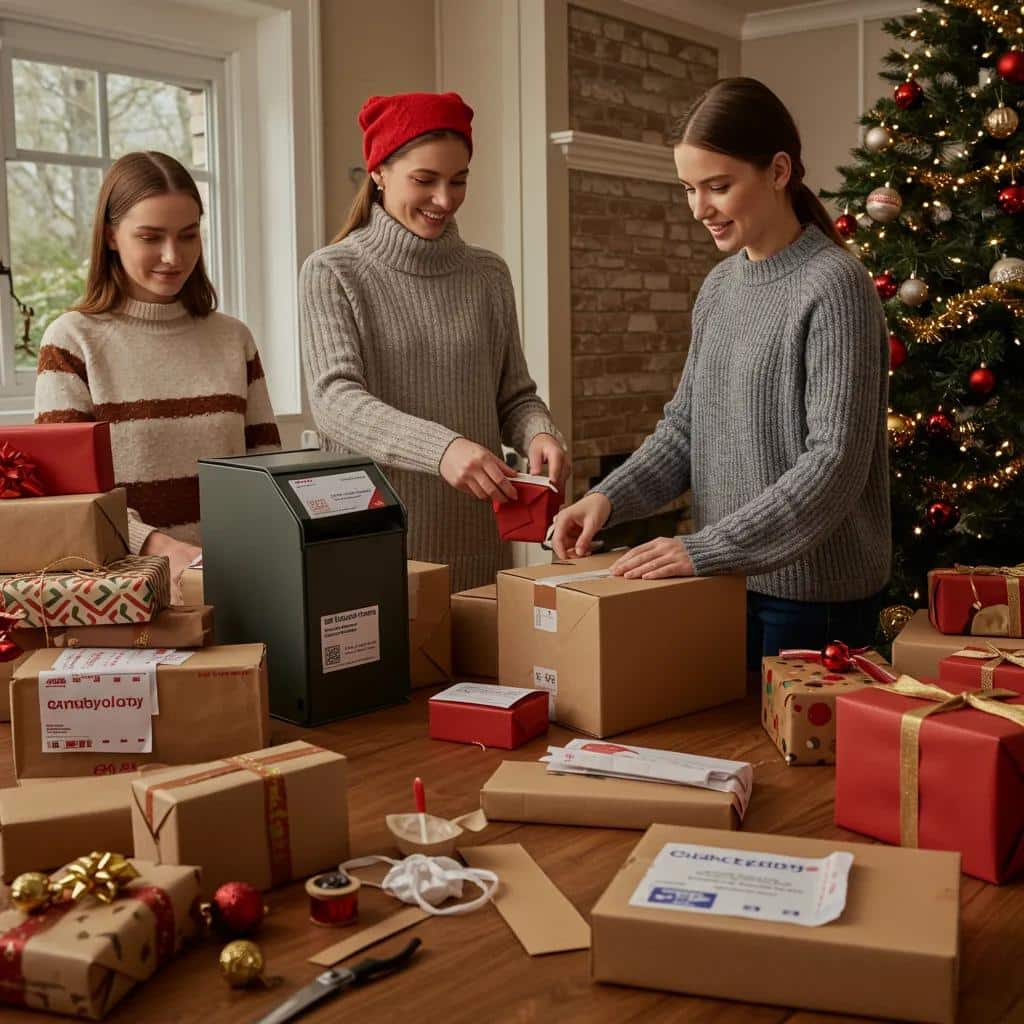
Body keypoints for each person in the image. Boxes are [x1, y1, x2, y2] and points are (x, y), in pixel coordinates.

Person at [552, 77, 890, 664]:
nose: (698, 209)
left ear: (779, 171)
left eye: (718, 187)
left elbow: (834, 463)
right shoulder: (719, 287)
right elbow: (685, 429)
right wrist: (605, 499)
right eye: (688, 188)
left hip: (811, 602)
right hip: (725, 582)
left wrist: (706, 548)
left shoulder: (836, 287)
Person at [300, 91, 566, 593]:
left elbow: (514, 396)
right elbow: (335, 401)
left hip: (478, 544)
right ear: (378, 171)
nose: (445, 199)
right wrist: (441, 449)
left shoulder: (488, 275)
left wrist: (539, 434)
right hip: (374, 544)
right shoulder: (333, 272)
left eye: (459, 180)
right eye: (425, 180)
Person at [35, 151, 280, 596]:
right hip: (120, 593)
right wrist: (154, 544)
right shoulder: (72, 341)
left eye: (188, 236)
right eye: (151, 237)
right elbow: (65, 498)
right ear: (111, 236)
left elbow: (266, 471)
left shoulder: (233, 338)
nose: (173, 256)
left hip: (236, 584)